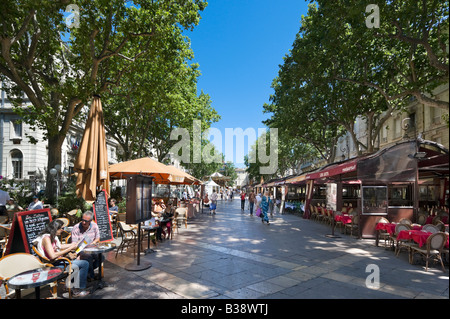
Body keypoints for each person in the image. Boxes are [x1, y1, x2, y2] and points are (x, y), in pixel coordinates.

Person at [33, 219, 90, 297]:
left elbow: (59, 246)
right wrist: (69, 249)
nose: (63, 230)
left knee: (80, 262)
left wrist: (73, 245)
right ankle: (78, 290)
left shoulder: (51, 236)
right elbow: (52, 256)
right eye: (61, 228)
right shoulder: (47, 238)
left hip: (59, 261)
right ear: (55, 228)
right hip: (53, 265)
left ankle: (71, 286)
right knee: (84, 264)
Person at [71, 211, 101, 281]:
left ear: (90, 221)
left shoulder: (94, 225)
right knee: (88, 257)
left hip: (93, 249)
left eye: (86, 221)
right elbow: (74, 244)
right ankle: (91, 276)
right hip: (81, 250)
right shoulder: (76, 228)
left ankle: (88, 272)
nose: (83, 222)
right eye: (82, 220)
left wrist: (94, 242)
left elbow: (98, 238)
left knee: (101, 257)